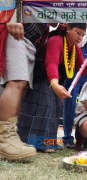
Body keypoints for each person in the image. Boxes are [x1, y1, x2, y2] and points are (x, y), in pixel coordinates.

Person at [17, 24, 87, 152]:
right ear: (68, 29)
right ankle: (29, 142)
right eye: (77, 33)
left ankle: (48, 143)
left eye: (83, 35)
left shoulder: (75, 49)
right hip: (42, 79)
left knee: (55, 111)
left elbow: (81, 71)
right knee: (44, 108)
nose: (80, 37)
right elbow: (51, 63)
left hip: (56, 81)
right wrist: (54, 84)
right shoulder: (56, 40)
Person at [0, 24, 52, 160]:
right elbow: (6, 1)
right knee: (17, 82)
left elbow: (53, 20)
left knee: (21, 87)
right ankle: (4, 140)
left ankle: (9, 136)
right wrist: (11, 17)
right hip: (15, 32)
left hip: (30, 41)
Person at [62, 34, 87, 149]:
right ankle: (67, 137)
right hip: (73, 75)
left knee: (85, 107)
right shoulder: (73, 34)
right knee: (70, 106)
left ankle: (82, 138)